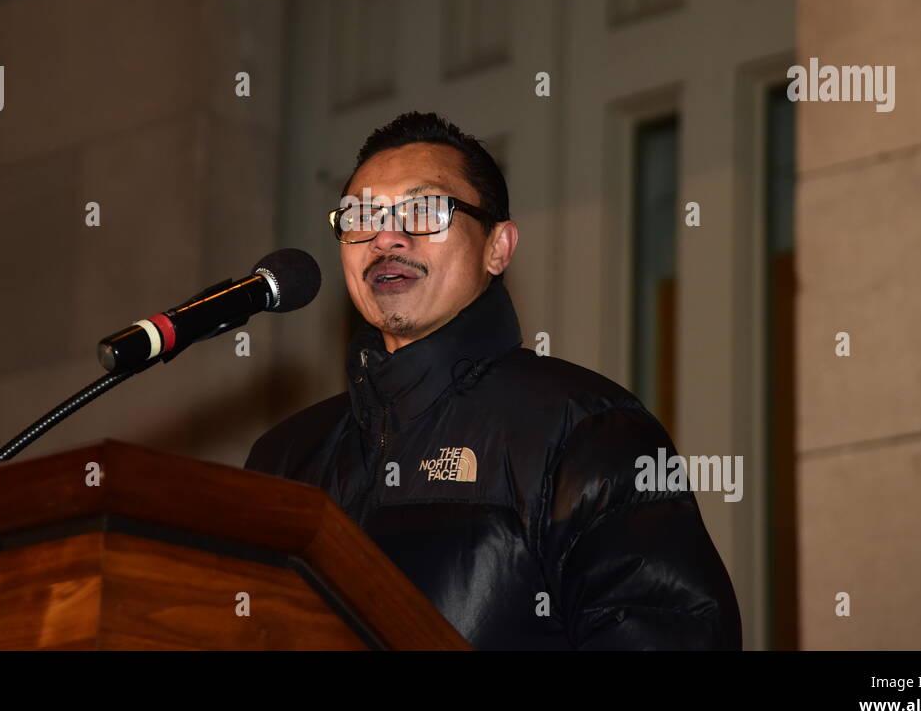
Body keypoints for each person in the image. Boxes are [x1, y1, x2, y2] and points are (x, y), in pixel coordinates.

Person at [244, 111, 741, 649]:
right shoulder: (283, 457)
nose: (386, 237)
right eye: (361, 215)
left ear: (498, 247)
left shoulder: (588, 431)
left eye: (425, 208)